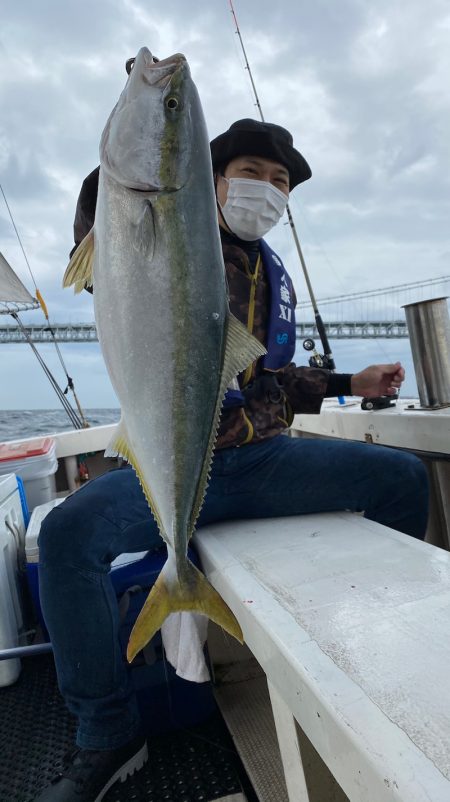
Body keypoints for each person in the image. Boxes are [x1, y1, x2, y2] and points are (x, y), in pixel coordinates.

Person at [35, 117, 428, 801]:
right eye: (251, 173)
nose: (267, 190)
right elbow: (108, 232)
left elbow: (269, 379)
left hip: (264, 462)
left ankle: (371, 651)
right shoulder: (166, 243)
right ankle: (107, 732)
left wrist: (351, 382)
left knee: (403, 478)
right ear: (209, 181)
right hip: (172, 463)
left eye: (281, 183)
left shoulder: (270, 272)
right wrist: (141, 141)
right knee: (69, 535)